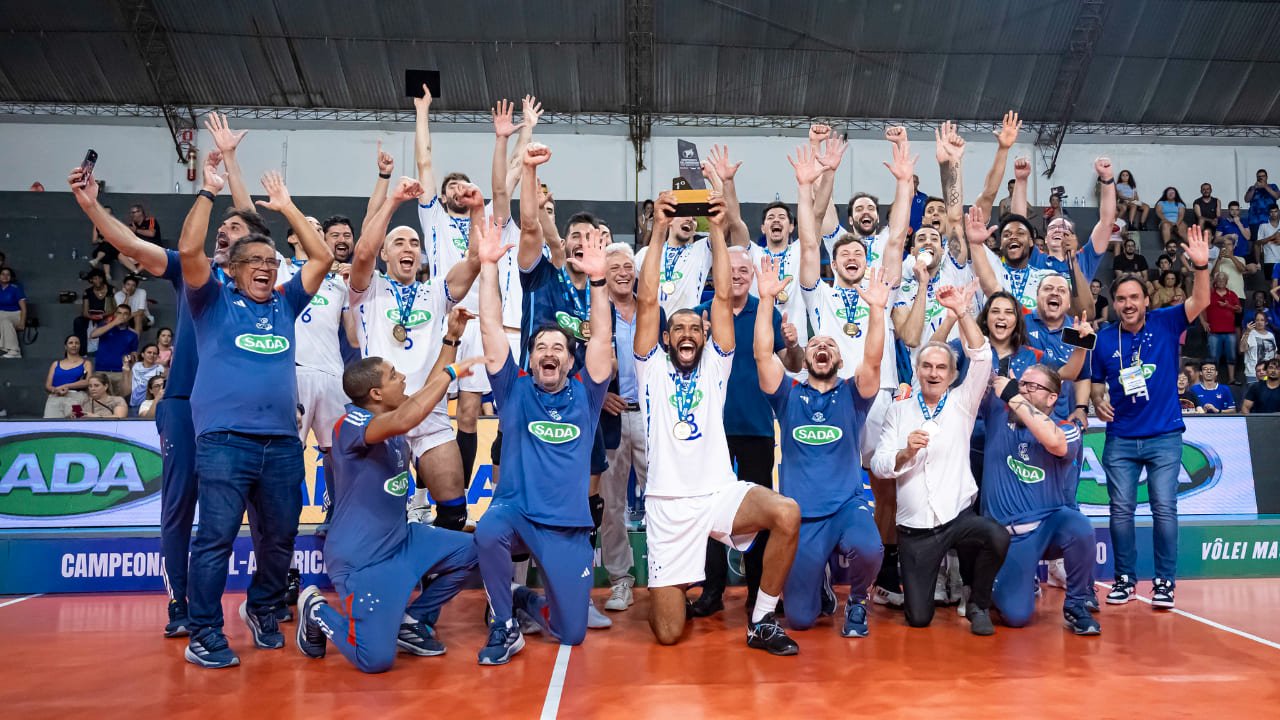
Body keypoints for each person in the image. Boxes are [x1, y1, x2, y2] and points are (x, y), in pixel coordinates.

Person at [68, 111, 264, 639]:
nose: (225, 233)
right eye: (220, 228)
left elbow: (257, 219)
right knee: (180, 507)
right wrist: (92, 206)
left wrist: (233, 169)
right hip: (184, 403)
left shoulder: (268, 283)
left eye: (234, 228)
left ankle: (265, 605)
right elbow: (133, 247)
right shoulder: (192, 270)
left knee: (257, 509)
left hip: (245, 410)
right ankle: (182, 605)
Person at [178, 159, 332, 669]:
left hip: (283, 444)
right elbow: (187, 251)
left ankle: (263, 610)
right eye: (256, 261)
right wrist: (207, 190)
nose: (267, 266)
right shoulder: (211, 302)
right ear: (233, 269)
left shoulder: (285, 303)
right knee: (216, 538)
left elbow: (322, 256)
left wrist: (287, 208)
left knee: (281, 538)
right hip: (224, 442)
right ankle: (203, 631)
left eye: (272, 259)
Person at [637, 191, 802, 655]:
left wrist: (717, 227)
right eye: (679, 329)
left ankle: (762, 619)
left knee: (786, 512)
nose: (688, 334)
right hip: (668, 507)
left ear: (706, 333)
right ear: (666, 337)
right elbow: (648, 298)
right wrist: (658, 228)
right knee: (668, 634)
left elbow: (726, 297)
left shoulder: (716, 364)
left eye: (696, 328)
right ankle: (675, 581)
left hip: (716, 493)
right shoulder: (650, 367)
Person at [294, 336, 482, 673]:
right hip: (363, 560)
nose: (403, 379)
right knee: (375, 661)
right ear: (376, 394)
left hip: (403, 541)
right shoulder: (349, 424)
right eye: (394, 375)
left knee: (476, 550)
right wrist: (452, 373)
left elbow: (424, 399)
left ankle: (414, 619)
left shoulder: (397, 414)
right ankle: (315, 609)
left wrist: (450, 339)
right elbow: (408, 416)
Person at [472, 214, 612, 665]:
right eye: (540, 347)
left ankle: (523, 600)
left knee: (571, 635)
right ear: (530, 359)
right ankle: (504, 624)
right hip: (515, 514)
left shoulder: (587, 395)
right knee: (489, 527)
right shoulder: (514, 390)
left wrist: (599, 281)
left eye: (558, 348)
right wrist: (489, 267)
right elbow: (491, 331)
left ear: (571, 361)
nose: (549, 352)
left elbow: (603, 339)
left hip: (567, 527)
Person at [798, 135, 912, 608]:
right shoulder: (818, 293)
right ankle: (822, 576)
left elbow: (899, 237)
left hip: (881, 392)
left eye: (858, 254)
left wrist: (904, 185)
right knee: (825, 489)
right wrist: (808, 187)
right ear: (834, 260)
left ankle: (882, 574)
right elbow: (807, 241)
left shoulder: (879, 288)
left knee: (886, 487)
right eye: (842, 253)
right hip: (833, 396)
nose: (851, 257)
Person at [756, 256, 890, 637]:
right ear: (806, 359)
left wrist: (877, 311)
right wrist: (766, 301)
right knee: (800, 620)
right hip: (803, 517)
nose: (822, 347)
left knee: (869, 548)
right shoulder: (788, 396)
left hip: (847, 507)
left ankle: (859, 602)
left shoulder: (853, 394)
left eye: (830, 344)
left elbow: (874, 359)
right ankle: (820, 585)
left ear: (839, 359)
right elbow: (763, 356)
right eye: (815, 343)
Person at [870, 282, 1009, 635]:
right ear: (918, 372)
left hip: (957, 517)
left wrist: (962, 313)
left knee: (995, 536)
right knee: (919, 619)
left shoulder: (963, 402)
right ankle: (927, 589)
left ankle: (978, 602)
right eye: (927, 366)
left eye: (941, 368)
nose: (933, 373)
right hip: (916, 529)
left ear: (951, 375)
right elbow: (879, 464)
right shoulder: (899, 411)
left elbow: (983, 358)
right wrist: (905, 453)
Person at [348, 167, 483, 532]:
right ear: (386, 255)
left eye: (414, 244)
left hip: (429, 410)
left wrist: (476, 210)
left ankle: (441, 575)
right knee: (376, 516)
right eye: (398, 243)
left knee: (453, 509)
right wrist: (393, 201)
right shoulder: (368, 288)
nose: (408, 248)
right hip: (380, 413)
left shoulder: (435, 290)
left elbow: (473, 262)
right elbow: (362, 252)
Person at [1090, 223, 1212, 610]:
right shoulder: (1105, 338)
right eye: (1121, 298)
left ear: (1146, 300)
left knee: (1164, 508)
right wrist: (1095, 399)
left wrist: (1202, 267)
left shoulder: (1166, 322)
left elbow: (1201, 302)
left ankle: (1165, 583)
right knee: (1121, 511)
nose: (1128, 304)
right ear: (1115, 304)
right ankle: (1125, 580)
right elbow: (1094, 383)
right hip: (1121, 437)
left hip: (1163, 435)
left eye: (1134, 297)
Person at [688, 246, 803, 619]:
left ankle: (759, 590)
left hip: (755, 428)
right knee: (708, 513)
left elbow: (794, 364)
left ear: (752, 275)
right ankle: (711, 590)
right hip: (710, 431)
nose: (736, 275)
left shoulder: (766, 310)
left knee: (761, 513)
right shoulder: (702, 311)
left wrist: (795, 342)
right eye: (730, 269)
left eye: (742, 270)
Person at [982, 366, 1099, 635]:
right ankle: (1001, 585)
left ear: (1052, 398)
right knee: (1016, 617)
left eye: (1033, 387)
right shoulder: (998, 414)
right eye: (1021, 383)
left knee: (1080, 527)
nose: (1023, 389)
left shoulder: (1067, 429)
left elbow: (1054, 442)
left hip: (1049, 525)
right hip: (1009, 538)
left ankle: (1077, 604)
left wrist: (1014, 396)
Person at [598, 243, 650, 612]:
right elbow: (575, 360)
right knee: (611, 505)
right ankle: (620, 580)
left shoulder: (652, 311)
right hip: (609, 417)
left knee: (662, 497)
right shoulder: (595, 313)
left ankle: (668, 577)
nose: (622, 271)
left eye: (627, 265)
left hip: (650, 416)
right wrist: (598, 396)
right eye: (614, 266)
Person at [89, 306, 139, 396]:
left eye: (125, 314)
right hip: (101, 372)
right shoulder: (106, 327)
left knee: (120, 401)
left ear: (129, 316)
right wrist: (114, 322)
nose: (121, 316)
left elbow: (133, 353)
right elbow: (93, 335)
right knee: (98, 400)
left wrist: (132, 358)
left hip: (120, 373)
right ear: (115, 314)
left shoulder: (133, 335)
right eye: (119, 313)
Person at [1202, 272, 1242, 384]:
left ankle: (1232, 379)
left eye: (1223, 280)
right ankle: (1213, 380)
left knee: (1232, 356)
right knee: (1214, 357)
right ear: (1215, 282)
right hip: (1214, 331)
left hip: (1230, 330)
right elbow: (1201, 308)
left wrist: (1228, 306)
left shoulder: (1232, 294)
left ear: (1226, 282)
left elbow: (1239, 310)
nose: (1220, 281)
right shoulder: (1210, 294)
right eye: (1218, 279)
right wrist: (1204, 322)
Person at [43, 335, 92, 418]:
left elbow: (87, 382)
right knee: (51, 423)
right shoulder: (55, 364)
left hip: (77, 398)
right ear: (65, 346)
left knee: (78, 421)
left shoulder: (86, 363)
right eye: (71, 343)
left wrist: (66, 386)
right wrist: (56, 390)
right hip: (56, 397)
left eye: (77, 343)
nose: (74, 345)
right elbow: (48, 385)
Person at [73, 268, 114, 351]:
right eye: (95, 278)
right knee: (78, 321)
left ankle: (105, 349)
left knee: (107, 322)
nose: (98, 280)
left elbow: (111, 310)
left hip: (106, 315)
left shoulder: (111, 290)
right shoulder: (87, 292)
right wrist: (92, 317)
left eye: (100, 278)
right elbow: (85, 312)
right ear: (91, 280)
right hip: (91, 316)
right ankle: (82, 350)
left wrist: (101, 316)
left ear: (103, 278)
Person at [1240, 311, 1277, 384]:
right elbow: (1242, 349)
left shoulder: (1270, 335)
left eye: (1262, 320)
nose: (1259, 322)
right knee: (1253, 394)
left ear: (1266, 322)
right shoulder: (1249, 333)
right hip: (1252, 373)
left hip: (1267, 374)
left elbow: (1274, 353)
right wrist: (1247, 332)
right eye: (1257, 320)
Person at [125, 343, 165, 408]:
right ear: (143, 354)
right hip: (133, 402)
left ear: (157, 356)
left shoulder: (160, 369)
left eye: (155, 353)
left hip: (149, 404)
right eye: (149, 352)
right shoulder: (135, 366)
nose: (152, 355)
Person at [1244, 169, 1280, 240]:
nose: (1261, 178)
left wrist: (1265, 186)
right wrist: (1254, 188)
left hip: (1270, 220)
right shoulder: (1252, 188)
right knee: (1256, 243)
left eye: (1263, 176)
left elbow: (1277, 196)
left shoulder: (1273, 186)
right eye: (1259, 176)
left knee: (1271, 242)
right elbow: (1246, 199)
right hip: (1255, 221)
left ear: (1266, 177)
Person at [0, 266, 26, 358]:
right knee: (4, 321)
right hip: (2, 316)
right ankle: (15, 351)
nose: (5, 276)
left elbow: (23, 308)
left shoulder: (16, 288)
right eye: (3, 274)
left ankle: (14, 350)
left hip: (15, 314)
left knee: (3, 319)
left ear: (11, 277)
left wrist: (22, 322)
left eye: (8, 275)